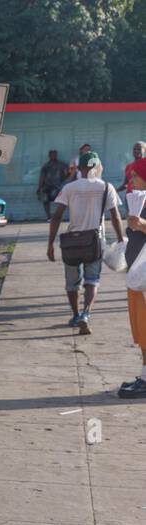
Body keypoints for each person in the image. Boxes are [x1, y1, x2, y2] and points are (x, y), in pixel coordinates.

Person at [46, 150, 125, 335]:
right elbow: (115, 216)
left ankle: (75, 315)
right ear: (97, 167)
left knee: (71, 283)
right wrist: (121, 239)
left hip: (71, 242)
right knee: (92, 280)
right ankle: (86, 314)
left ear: (80, 168)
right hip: (95, 242)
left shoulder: (69, 188)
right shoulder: (106, 187)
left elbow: (56, 217)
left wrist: (50, 244)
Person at [120, 158, 146, 399]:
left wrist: (142, 224)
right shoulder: (139, 200)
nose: (131, 180)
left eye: (135, 175)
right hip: (138, 276)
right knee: (141, 328)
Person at [38, 150, 68, 220]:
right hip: (47, 186)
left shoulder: (61, 164)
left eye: (55, 154)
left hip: (57, 186)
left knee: (60, 200)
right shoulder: (46, 166)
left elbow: (67, 174)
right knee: (45, 200)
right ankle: (49, 216)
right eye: (52, 155)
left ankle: (57, 216)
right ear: (49, 156)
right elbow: (42, 177)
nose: (54, 156)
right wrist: (39, 187)